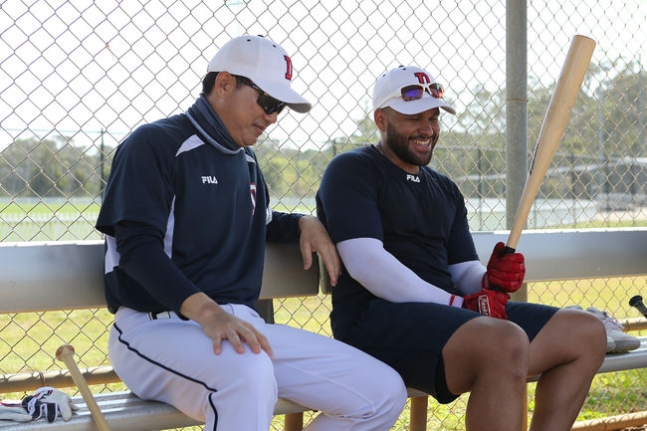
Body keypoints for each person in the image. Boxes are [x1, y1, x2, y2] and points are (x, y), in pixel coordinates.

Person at [95, 35, 407, 431]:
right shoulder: (154, 143)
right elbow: (136, 247)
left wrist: (303, 223)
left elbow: (260, 222)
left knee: (381, 392)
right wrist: (209, 313)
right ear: (224, 84)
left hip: (240, 329)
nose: (273, 116)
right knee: (247, 372)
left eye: (280, 107)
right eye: (268, 102)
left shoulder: (245, 161)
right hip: (155, 327)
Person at [316, 64, 607, 431]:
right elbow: (366, 263)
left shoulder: (445, 188)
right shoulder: (352, 169)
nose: (428, 129)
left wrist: (489, 281)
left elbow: (462, 272)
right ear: (380, 119)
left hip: (450, 320)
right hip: (374, 321)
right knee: (503, 341)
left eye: (434, 117)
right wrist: (460, 304)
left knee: (586, 332)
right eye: (414, 118)